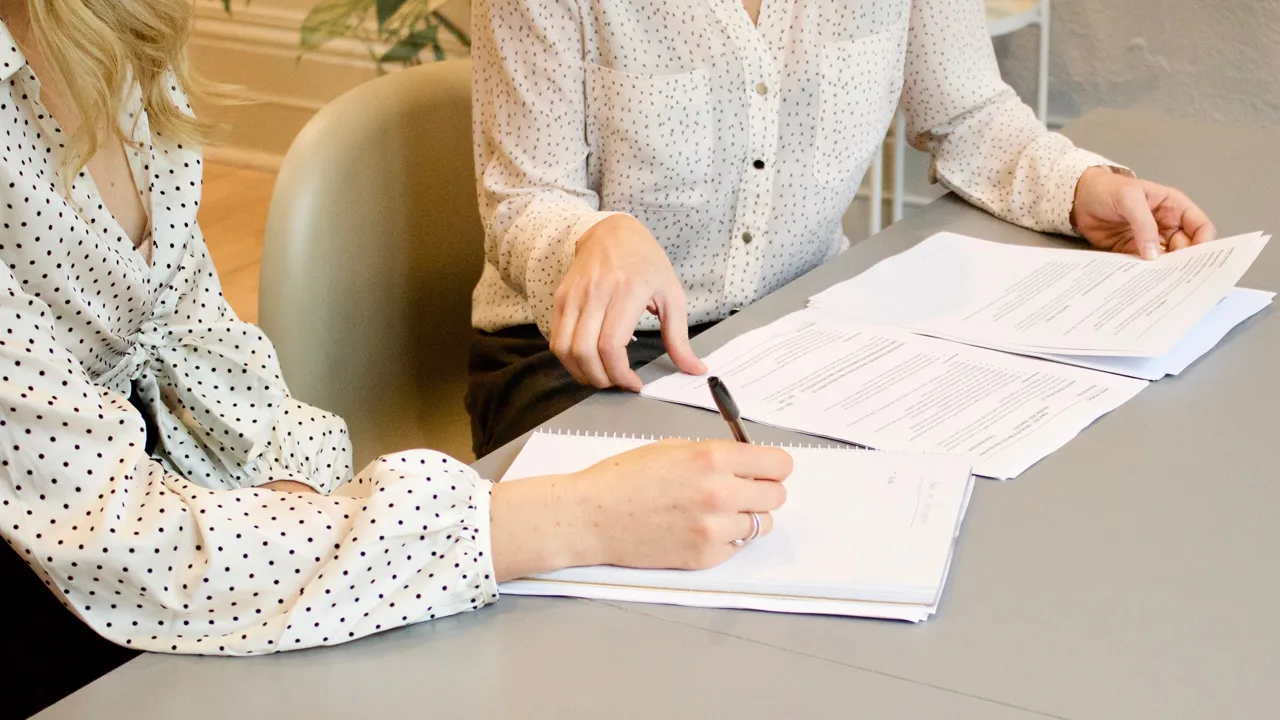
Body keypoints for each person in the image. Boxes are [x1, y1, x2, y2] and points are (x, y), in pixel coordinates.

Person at [0, 1, 793, 715]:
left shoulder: (111, 30)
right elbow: (126, 542)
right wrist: (577, 518)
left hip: (169, 535)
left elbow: (203, 349)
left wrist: (298, 510)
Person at [466, 0, 1219, 457]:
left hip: (795, 334)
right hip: (579, 357)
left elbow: (968, 115)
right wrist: (590, 239)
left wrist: (1083, 186)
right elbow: (524, 197)